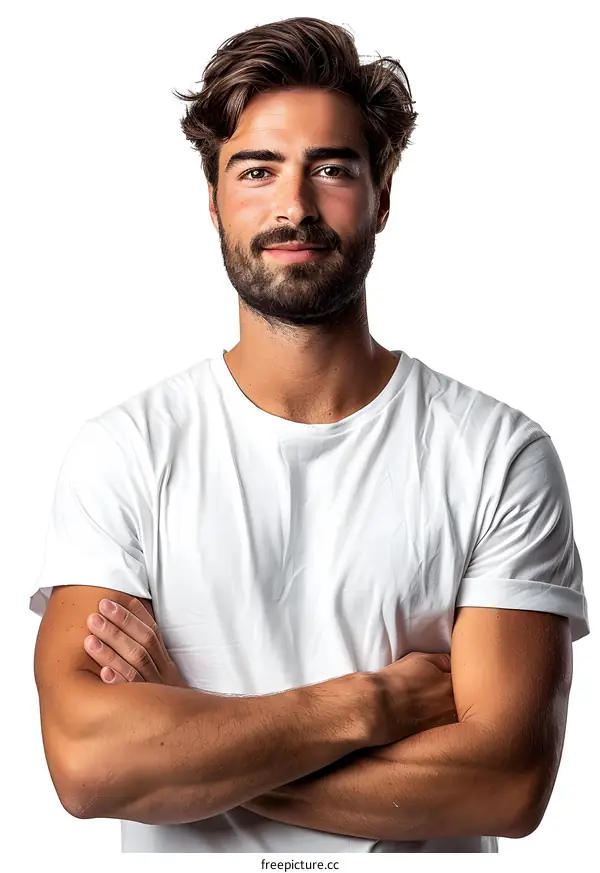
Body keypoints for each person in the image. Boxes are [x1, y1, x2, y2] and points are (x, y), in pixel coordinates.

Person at [30, 16, 589, 854]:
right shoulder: (127, 451)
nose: (293, 206)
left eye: (330, 168)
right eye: (257, 170)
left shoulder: (498, 455)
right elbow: (88, 765)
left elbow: (506, 784)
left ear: (382, 195)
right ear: (214, 201)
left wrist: (189, 748)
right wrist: (370, 706)